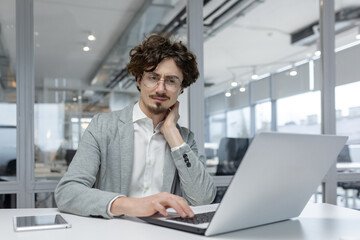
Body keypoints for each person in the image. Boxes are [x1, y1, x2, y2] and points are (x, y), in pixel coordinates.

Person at [55, 34, 216, 219]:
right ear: (139, 80)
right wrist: (132, 205)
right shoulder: (103, 126)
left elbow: (203, 198)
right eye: (153, 77)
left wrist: (172, 132)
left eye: (171, 81)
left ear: (181, 88)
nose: (161, 89)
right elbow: (67, 192)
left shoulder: (184, 138)